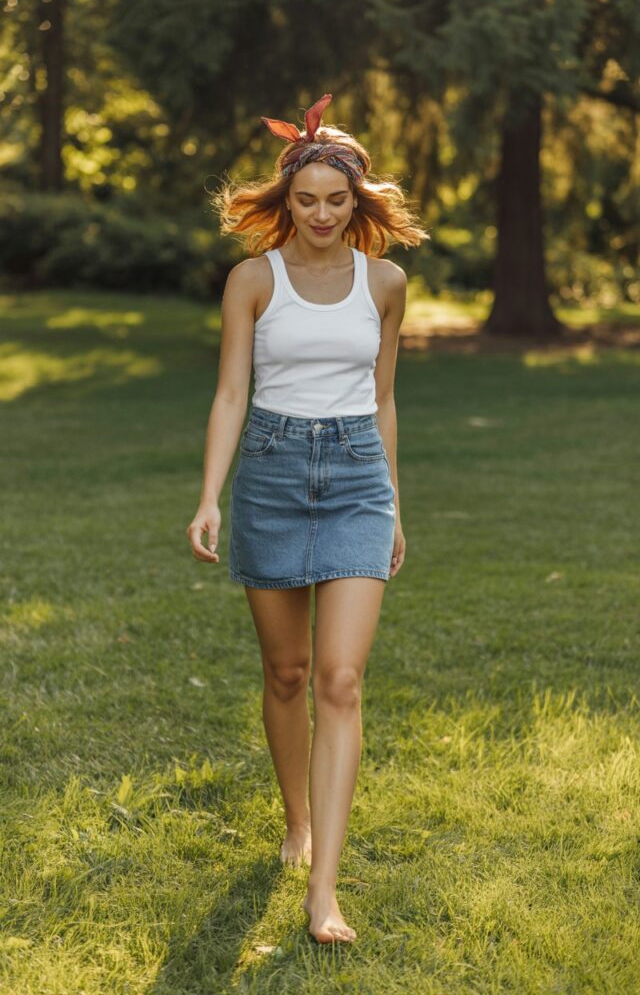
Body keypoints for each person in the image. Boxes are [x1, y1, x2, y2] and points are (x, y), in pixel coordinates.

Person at [186, 93, 429, 944]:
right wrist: (211, 494)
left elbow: (385, 400)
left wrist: (393, 502)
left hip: (359, 475)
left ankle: (323, 891)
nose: (322, 215)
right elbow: (229, 395)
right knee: (286, 673)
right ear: (285, 202)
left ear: (357, 203)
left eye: (337, 201)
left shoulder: (386, 283)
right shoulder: (254, 280)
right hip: (273, 474)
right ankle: (298, 821)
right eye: (306, 200)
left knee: (339, 679)